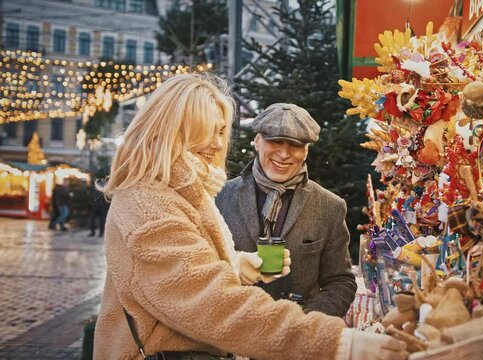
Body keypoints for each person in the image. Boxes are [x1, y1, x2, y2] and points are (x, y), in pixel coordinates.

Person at [93, 73, 408, 360]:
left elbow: (182, 276)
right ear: (178, 128)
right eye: (211, 130)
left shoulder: (184, 191)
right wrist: (331, 341)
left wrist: (238, 265)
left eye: (222, 132)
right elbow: (207, 301)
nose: (218, 143)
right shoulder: (150, 201)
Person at [216, 103, 357, 317]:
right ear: (257, 142)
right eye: (275, 141)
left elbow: (340, 282)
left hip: (296, 340)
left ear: (306, 151)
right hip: (230, 333)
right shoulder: (219, 196)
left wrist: (301, 323)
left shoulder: (330, 206)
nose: (283, 154)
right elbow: (202, 270)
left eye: (295, 145)